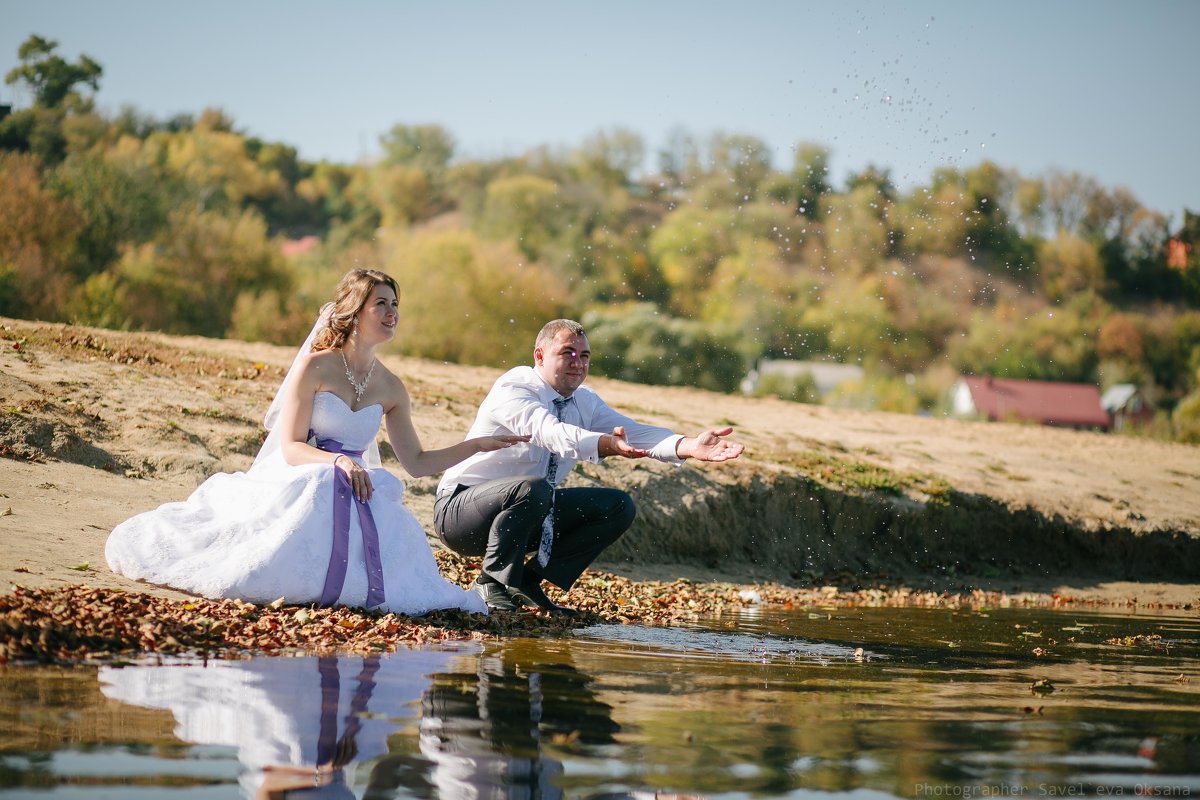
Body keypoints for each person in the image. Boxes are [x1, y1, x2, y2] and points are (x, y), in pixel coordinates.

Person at [106, 268, 526, 616]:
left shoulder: (392, 388)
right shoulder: (315, 367)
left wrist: (476, 445)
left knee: (374, 499)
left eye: (395, 305)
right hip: (300, 472)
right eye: (381, 303)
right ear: (354, 311)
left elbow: (415, 462)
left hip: (358, 481)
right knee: (324, 486)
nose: (392, 312)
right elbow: (289, 446)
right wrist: (337, 462)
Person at [433, 319, 744, 615]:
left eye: (584, 356)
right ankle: (491, 582)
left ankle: (528, 582)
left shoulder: (585, 402)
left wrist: (688, 445)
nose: (577, 362)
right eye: (567, 353)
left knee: (616, 506)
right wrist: (603, 444)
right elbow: (550, 433)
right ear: (539, 356)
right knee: (532, 488)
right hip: (460, 513)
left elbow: (634, 432)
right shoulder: (515, 387)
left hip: (526, 512)